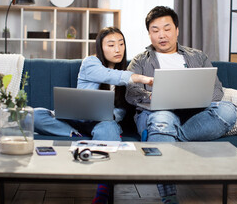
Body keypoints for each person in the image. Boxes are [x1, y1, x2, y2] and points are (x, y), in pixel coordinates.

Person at [125, 6, 237, 204]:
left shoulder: (198, 57)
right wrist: (156, 97)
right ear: (149, 34)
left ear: (177, 30)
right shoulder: (140, 60)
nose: (162, 35)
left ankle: (169, 136)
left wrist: (195, 99)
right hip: (157, 113)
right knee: (163, 117)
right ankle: (169, 198)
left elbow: (217, 91)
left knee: (228, 110)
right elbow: (131, 93)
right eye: (155, 30)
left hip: (195, 115)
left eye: (167, 29)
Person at [33, 26, 153, 204]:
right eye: (111, 45)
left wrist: (111, 115)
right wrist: (140, 78)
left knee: (109, 128)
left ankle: (103, 191)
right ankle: (77, 135)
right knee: (35, 115)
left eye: (121, 44)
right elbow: (108, 75)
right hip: (74, 119)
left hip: (101, 121)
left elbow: (121, 107)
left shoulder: (124, 74)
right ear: (101, 47)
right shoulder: (91, 63)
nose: (118, 49)